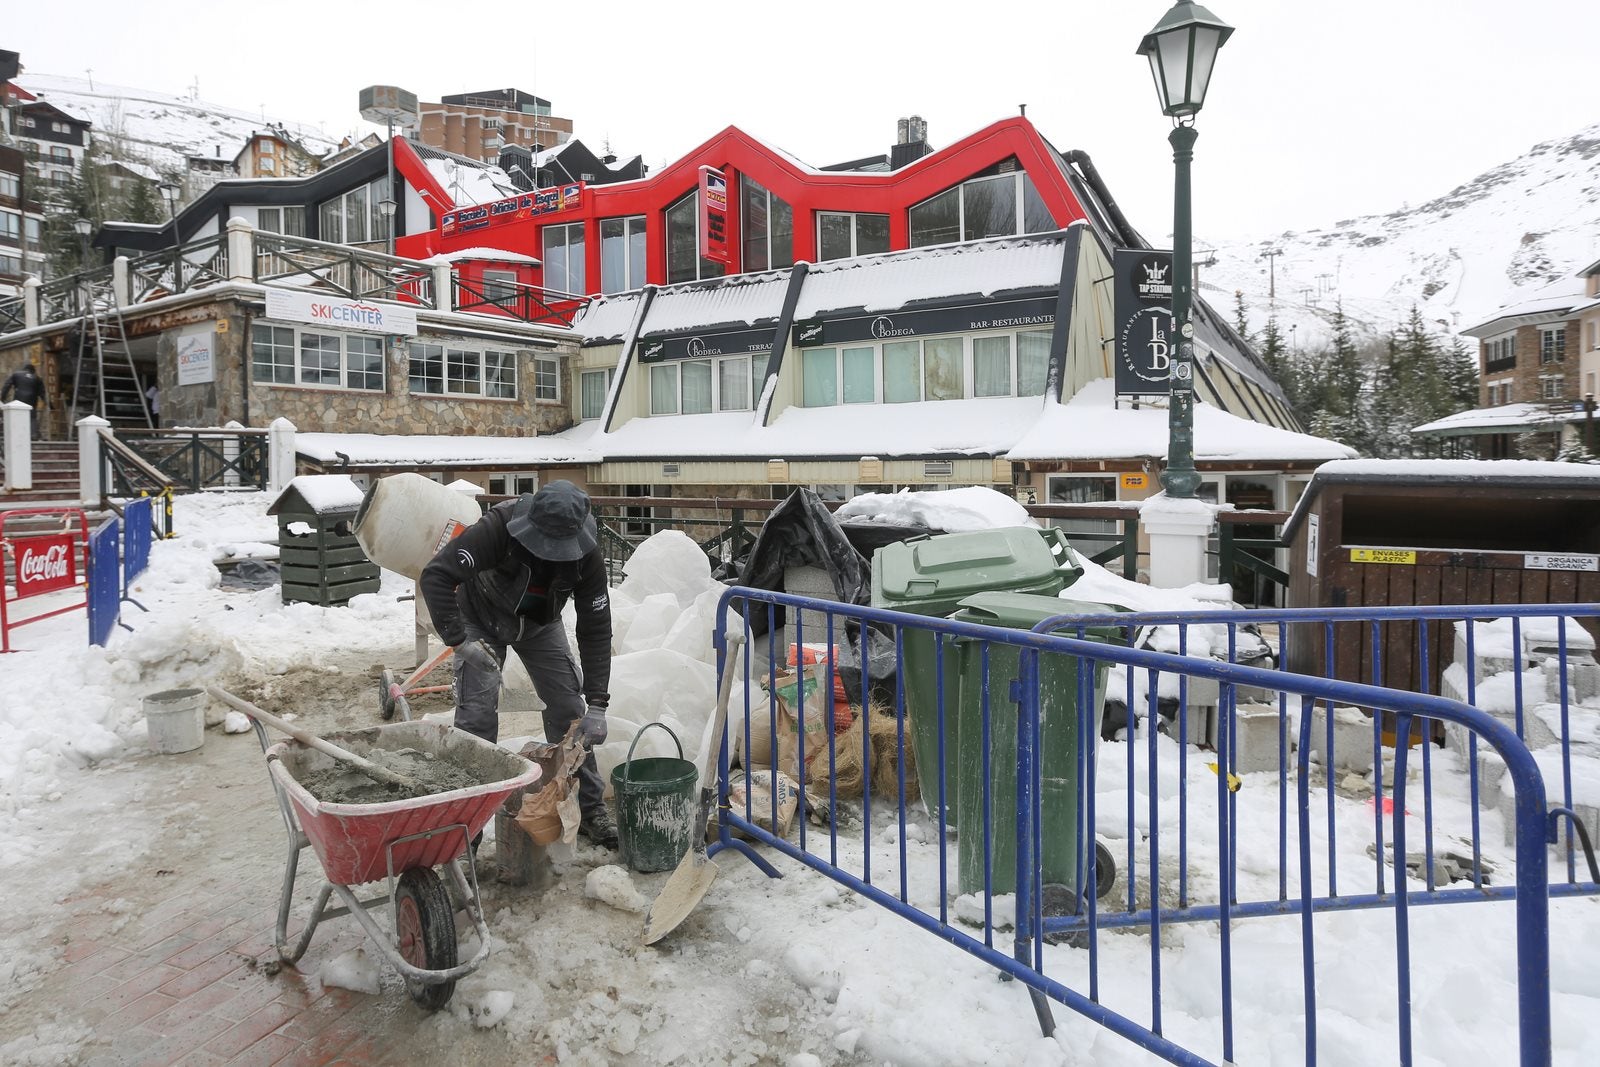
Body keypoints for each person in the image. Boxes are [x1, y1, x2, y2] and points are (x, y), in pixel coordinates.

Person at [419, 480, 617, 849]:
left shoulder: (586, 553)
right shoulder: (497, 528)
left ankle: (590, 811)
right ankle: (467, 831)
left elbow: (595, 627)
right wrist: (461, 642)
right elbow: (437, 575)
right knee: (476, 720)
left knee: (570, 712)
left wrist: (600, 704)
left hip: (541, 625)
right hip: (481, 617)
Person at [1, 362, 46, 441]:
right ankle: (33, 435)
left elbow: (7, 385)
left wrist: (2, 398)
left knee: (16, 416)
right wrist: (49, 404)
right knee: (32, 418)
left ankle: (16, 434)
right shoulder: (37, 378)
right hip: (32, 400)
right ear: (33, 370)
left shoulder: (16, 374)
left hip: (19, 399)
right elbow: (42, 393)